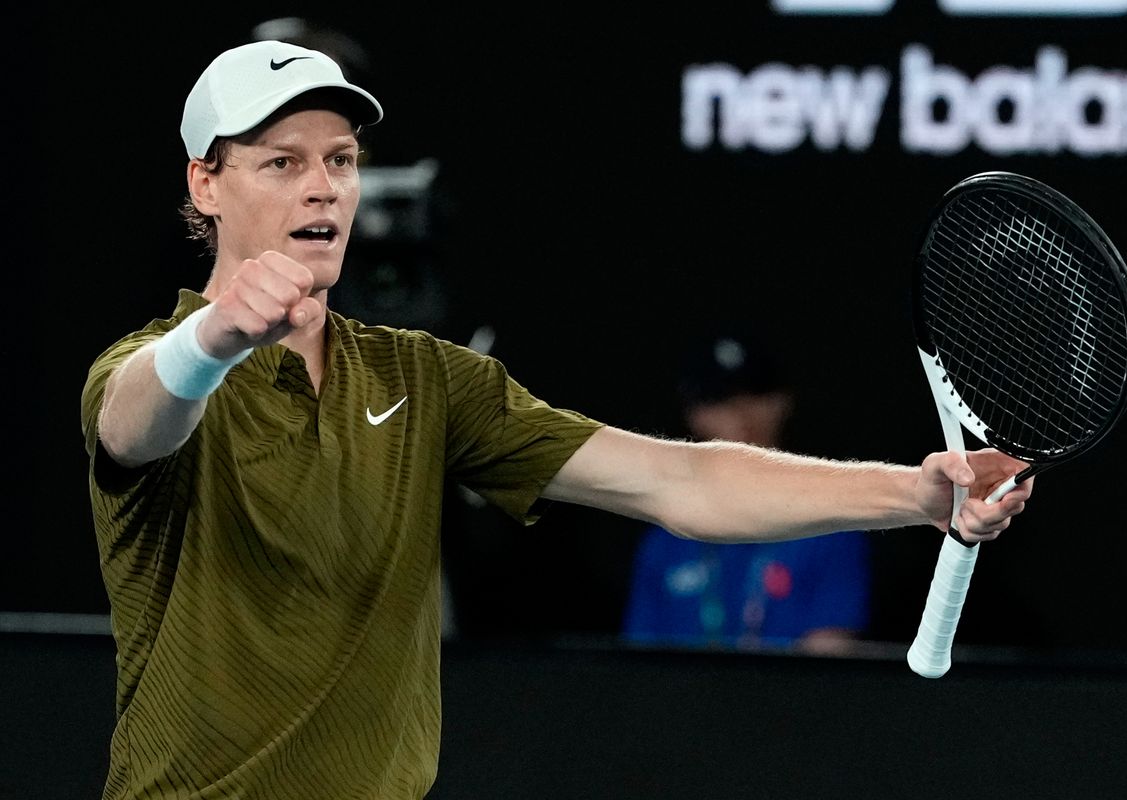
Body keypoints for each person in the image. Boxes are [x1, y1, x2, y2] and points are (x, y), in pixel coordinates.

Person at [80, 39, 1034, 800]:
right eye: (281, 163)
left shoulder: (428, 378)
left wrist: (916, 493)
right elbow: (136, 424)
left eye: (341, 160)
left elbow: (678, 480)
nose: (322, 186)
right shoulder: (147, 367)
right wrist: (216, 338)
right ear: (206, 184)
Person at [623, 331, 871, 655]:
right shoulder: (664, 539)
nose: (741, 412)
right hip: (680, 690)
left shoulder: (831, 525)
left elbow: (828, 657)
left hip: (792, 690)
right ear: (694, 416)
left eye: (756, 392)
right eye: (719, 399)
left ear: (784, 402)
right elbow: (639, 665)